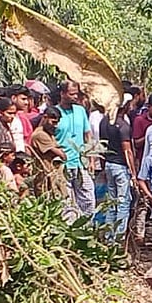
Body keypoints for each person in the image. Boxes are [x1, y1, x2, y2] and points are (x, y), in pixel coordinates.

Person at [56, 80, 95, 217]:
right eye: (71, 94)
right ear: (62, 94)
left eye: (76, 94)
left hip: (80, 163)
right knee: (65, 203)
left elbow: (87, 135)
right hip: (62, 165)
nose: (75, 97)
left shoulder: (80, 111)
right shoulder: (54, 113)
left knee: (88, 200)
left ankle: (86, 227)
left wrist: (91, 158)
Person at [102, 95, 136, 242]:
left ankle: (108, 237)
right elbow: (127, 151)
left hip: (108, 164)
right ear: (126, 106)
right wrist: (133, 174)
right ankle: (118, 239)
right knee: (123, 203)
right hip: (120, 167)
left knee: (112, 202)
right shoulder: (123, 126)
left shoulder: (104, 122)